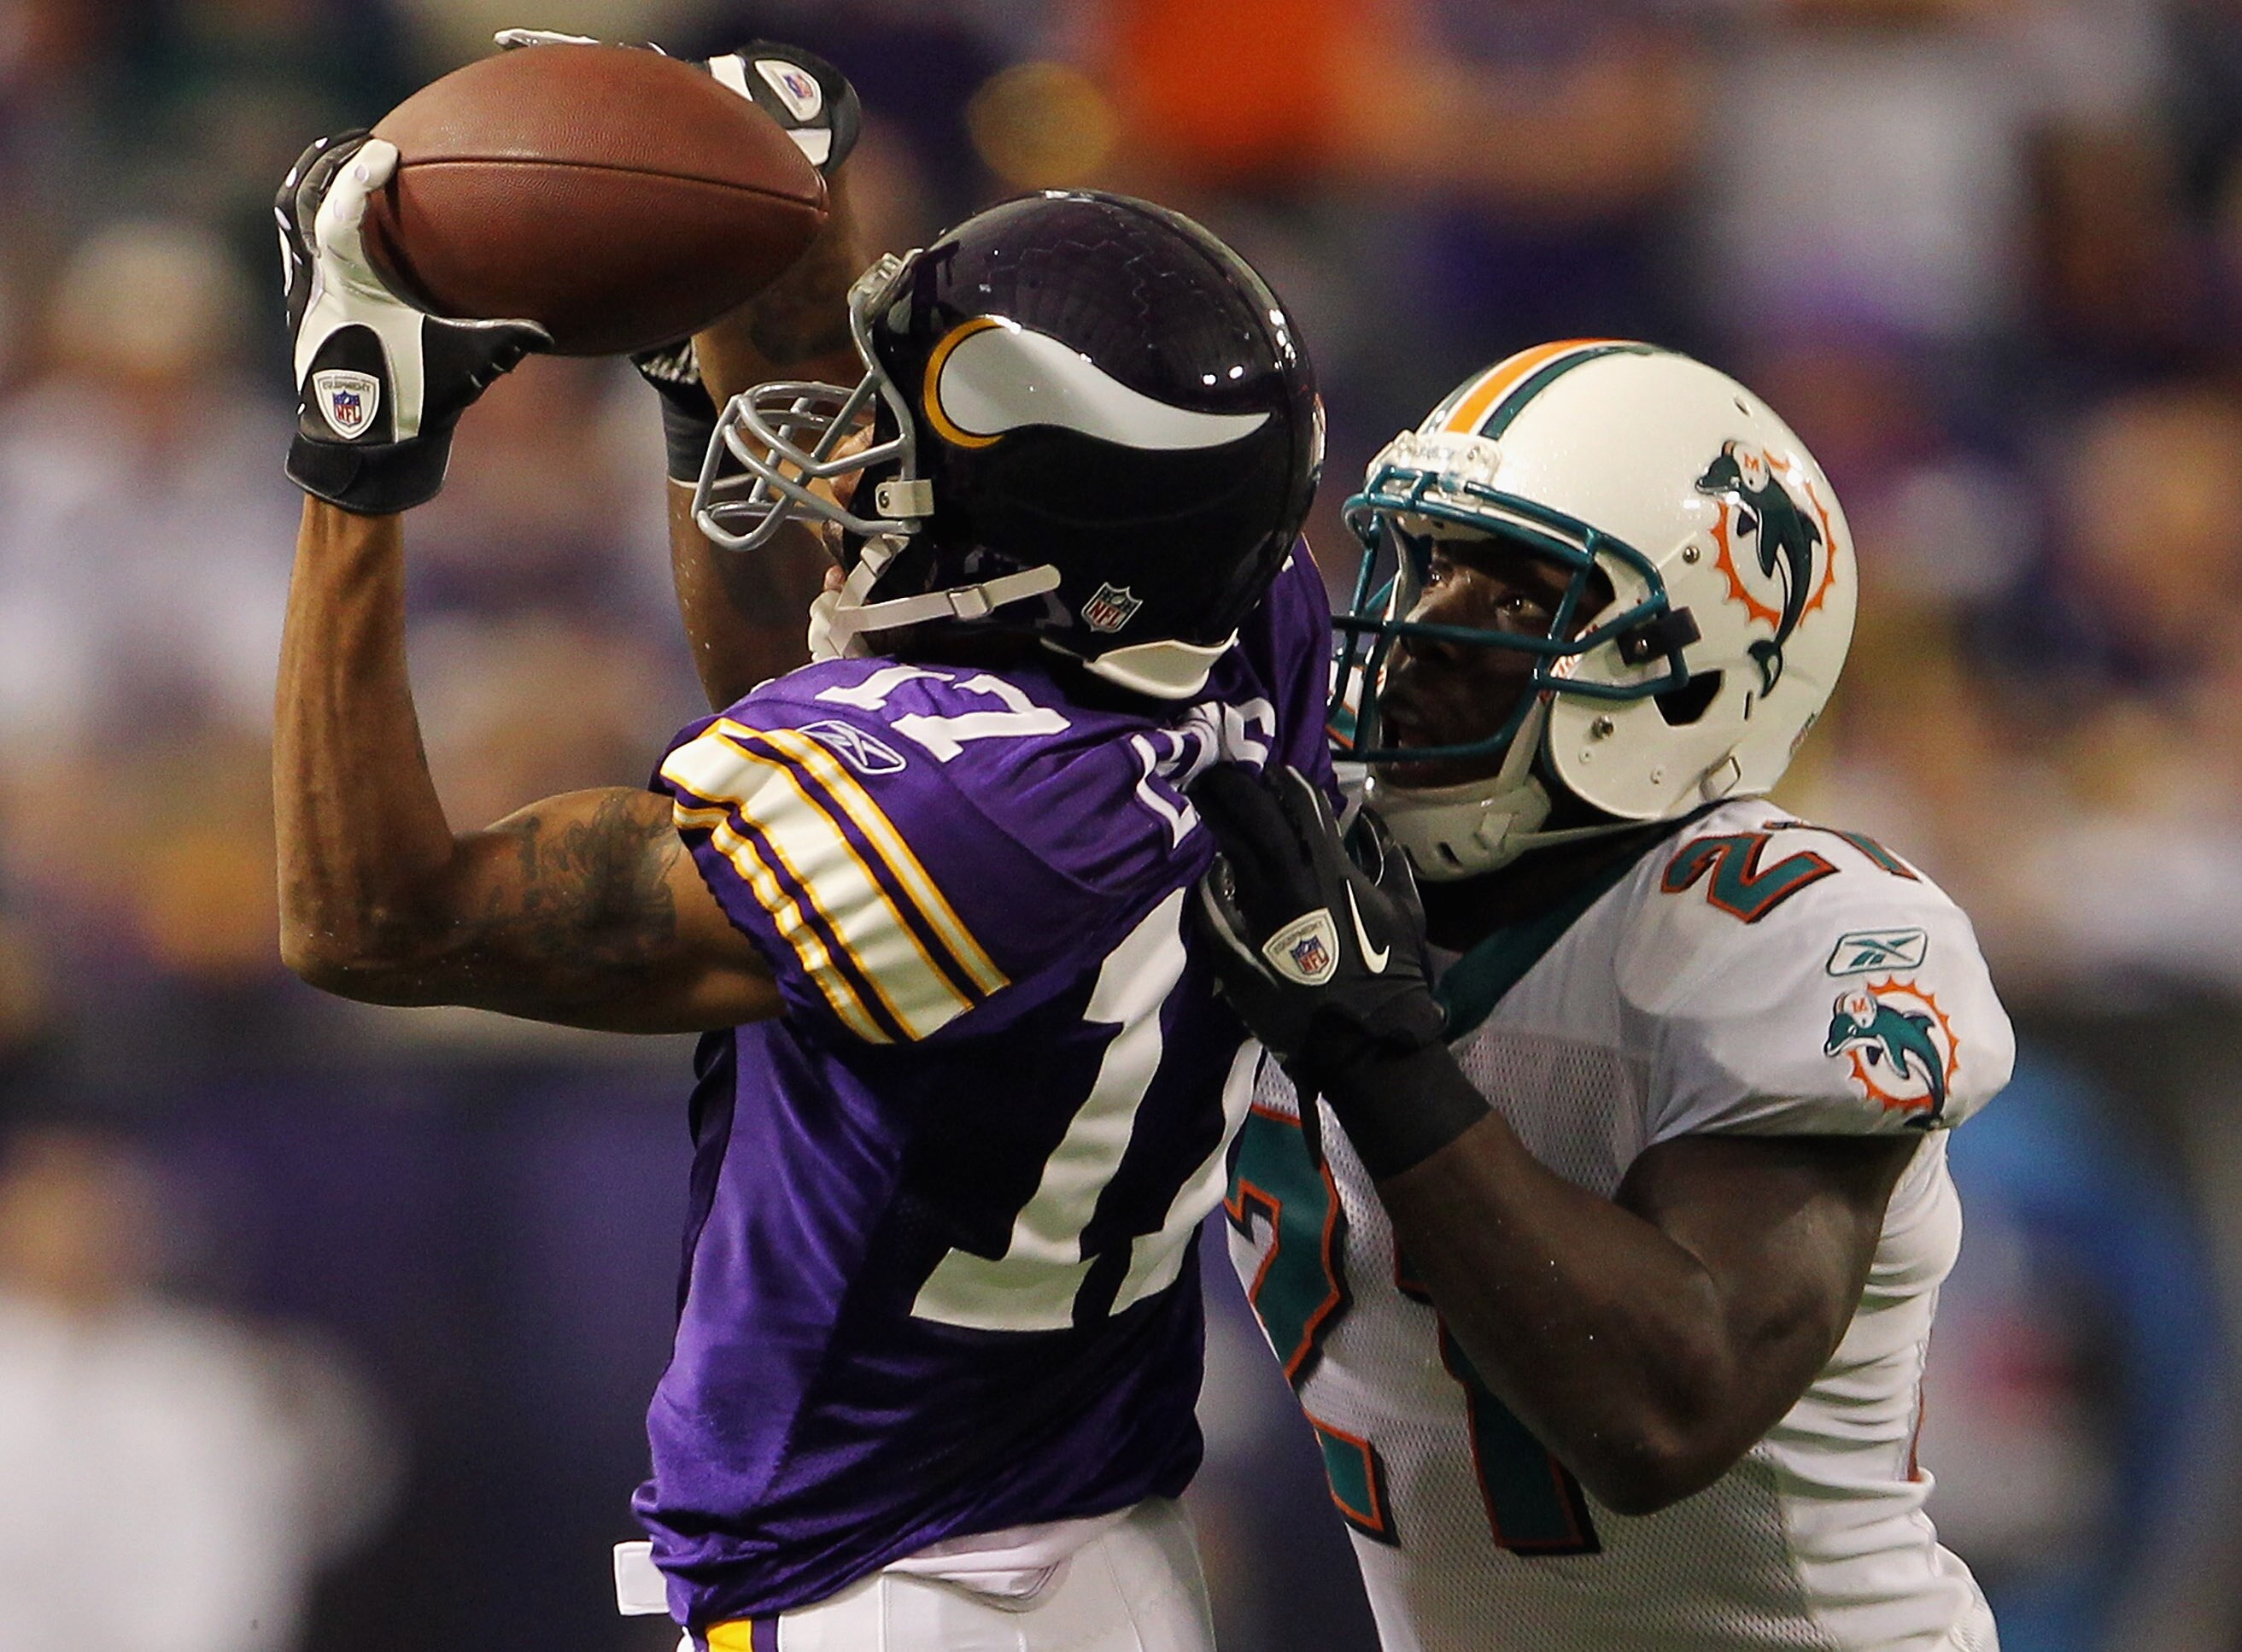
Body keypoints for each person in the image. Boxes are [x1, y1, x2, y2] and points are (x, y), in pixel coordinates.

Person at [268, 41, 1329, 1650]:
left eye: (904, 451)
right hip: (1093, 1534)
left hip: (884, 1579)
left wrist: (358, 451)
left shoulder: (960, 817)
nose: (857, 464)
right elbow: (843, 669)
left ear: (1045, 560)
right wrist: (778, 211)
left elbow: (372, 919)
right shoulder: (1242, 626)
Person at [1191, 341, 2013, 1652]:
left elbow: (1658, 1408)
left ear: (1684, 668)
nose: (1418, 623)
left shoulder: (1792, 926)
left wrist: (1370, 1041)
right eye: (1417, 558)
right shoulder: (1297, 857)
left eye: (1512, 592)